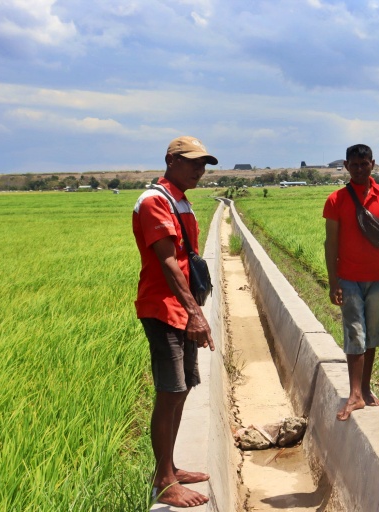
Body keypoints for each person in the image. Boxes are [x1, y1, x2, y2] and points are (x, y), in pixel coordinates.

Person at [132, 136, 217, 507]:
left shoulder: (180, 200)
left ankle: (170, 466)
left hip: (181, 309)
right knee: (169, 392)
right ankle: (164, 481)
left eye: (203, 164)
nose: (200, 169)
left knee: (181, 389)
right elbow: (168, 263)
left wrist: (193, 310)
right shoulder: (154, 202)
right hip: (163, 309)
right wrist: (196, 314)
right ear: (171, 160)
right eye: (193, 162)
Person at [323, 144, 379, 421]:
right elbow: (330, 243)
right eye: (354, 164)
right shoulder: (336, 200)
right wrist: (334, 282)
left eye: (364, 163)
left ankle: (365, 389)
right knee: (355, 332)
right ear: (346, 165)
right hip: (350, 278)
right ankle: (354, 394)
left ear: (372, 164)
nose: (359, 168)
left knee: (373, 336)